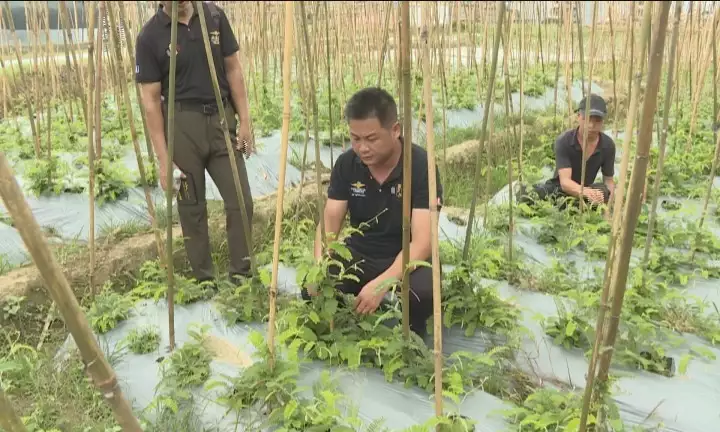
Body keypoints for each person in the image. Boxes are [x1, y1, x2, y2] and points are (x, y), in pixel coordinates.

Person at [302, 87, 443, 338]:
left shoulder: (420, 166)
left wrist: (382, 284)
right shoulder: (347, 164)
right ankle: (342, 328)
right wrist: (318, 268)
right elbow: (330, 223)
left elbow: (423, 241)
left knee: (421, 294)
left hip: (406, 255)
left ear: (395, 130)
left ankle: (411, 339)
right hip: (360, 253)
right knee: (313, 289)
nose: (362, 148)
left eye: (371, 138)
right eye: (355, 139)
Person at [134, 1, 254, 285]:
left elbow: (233, 68)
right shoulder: (150, 37)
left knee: (241, 199)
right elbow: (151, 101)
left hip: (221, 121)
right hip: (182, 126)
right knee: (191, 206)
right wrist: (164, 160)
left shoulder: (214, 16)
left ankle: (242, 274)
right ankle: (204, 278)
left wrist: (245, 120)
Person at [519, 94, 616, 209]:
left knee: (603, 191)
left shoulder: (608, 145)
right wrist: (586, 192)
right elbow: (565, 182)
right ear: (578, 116)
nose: (591, 125)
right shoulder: (564, 141)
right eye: (587, 119)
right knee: (526, 195)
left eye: (597, 121)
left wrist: (608, 202)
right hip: (560, 190)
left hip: (587, 191)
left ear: (603, 121)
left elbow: (608, 181)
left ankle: (581, 206)